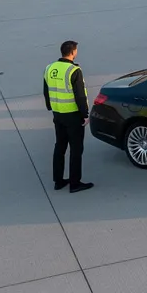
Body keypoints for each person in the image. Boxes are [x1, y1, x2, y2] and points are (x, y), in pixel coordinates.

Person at [44, 40, 93, 193]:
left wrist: (51, 107)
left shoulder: (49, 68)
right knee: (76, 149)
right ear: (72, 52)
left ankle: (58, 181)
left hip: (58, 114)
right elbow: (80, 95)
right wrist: (85, 114)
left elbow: (46, 90)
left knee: (60, 146)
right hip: (73, 115)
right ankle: (75, 183)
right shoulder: (74, 71)